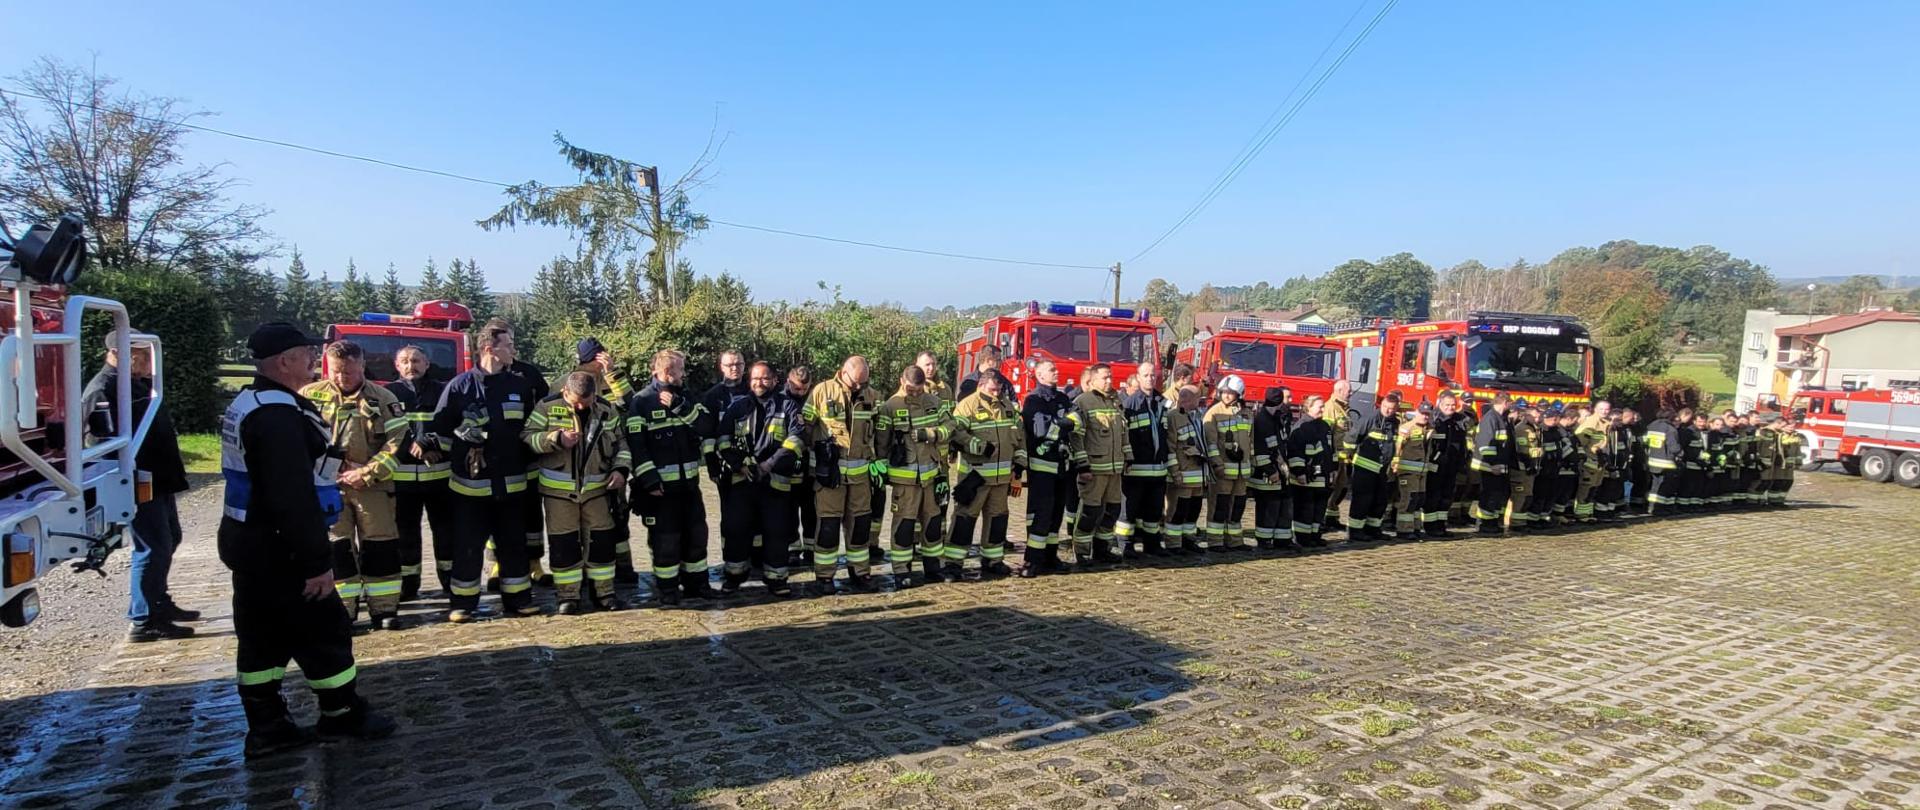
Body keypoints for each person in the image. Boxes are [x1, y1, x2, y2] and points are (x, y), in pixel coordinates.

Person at [219, 323, 393, 758]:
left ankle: (267, 726)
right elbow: (291, 497)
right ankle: (341, 713)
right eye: (305, 353)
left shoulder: (251, 402)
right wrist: (316, 562)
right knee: (324, 630)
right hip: (281, 547)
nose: (314, 360)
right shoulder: (277, 416)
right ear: (284, 361)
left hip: (250, 540)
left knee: (261, 636)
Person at [84, 331, 197, 641]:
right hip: (137, 480)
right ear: (119, 354)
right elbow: (99, 444)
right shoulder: (103, 389)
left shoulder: (137, 384)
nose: (150, 362)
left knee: (170, 538)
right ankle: (144, 617)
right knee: (152, 546)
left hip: (157, 477)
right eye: (143, 355)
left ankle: (159, 601)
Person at [426, 321, 540, 622]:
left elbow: (531, 430)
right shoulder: (459, 386)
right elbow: (440, 431)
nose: (514, 349)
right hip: (470, 488)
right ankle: (462, 604)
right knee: (467, 547)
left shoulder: (519, 386)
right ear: (490, 348)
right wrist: (458, 439)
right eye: (509, 344)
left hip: (511, 484)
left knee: (513, 545)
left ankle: (519, 599)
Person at [301, 341, 408, 631]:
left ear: (362, 366)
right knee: (338, 548)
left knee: (380, 546)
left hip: (373, 487)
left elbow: (399, 443)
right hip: (328, 487)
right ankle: (342, 611)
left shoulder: (383, 398)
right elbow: (297, 439)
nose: (341, 377)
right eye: (336, 371)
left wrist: (367, 472)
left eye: (348, 371)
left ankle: (384, 609)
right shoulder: (309, 395)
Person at [525, 372, 631, 614]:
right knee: (564, 546)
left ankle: (604, 594)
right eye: (576, 402)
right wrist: (555, 439)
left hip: (598, 491)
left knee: (601, 544)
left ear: (595, 394)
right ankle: (568, 597)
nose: (581, 407)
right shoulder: (546, 407)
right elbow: (528, 438)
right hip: (559, 494)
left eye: (587, 402)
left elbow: (621, 444)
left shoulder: (606, 410)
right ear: (565, 392)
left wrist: (621, 470)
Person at [627, 350, 714, 605]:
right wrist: (650, 481)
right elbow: (637, 446)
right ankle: (667, 589)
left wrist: (681, 408)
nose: (683, 374)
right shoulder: (642, 402)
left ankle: (697, 584)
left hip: (690, 486)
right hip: (661, 491)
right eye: (680, 369)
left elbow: (707, 426)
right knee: (666, 541)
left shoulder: (686, 397)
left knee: (697, 536)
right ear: (666, 372)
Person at [715, 361, 803, 597]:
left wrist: (769, 464)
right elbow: (722, 440)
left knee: (776, 532)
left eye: (764, 378)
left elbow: (796, 440)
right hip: (742, 480)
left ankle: (777, 579)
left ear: (775, 380)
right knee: (736, 529)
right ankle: (734, 576)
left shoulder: (788, 406)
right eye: (755, 378)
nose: (759, 383)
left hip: (775, 482)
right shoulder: (738, 407)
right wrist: (740, 465)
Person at [803, 356, 881, 594]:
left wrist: (879, 463)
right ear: (843, 372)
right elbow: (805, 427)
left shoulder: (873, 396)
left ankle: (860, 572)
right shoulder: (821, 391)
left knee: (860, 525)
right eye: (855, 381)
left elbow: (880, 432)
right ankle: (824, 576)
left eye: (863, 382)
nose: (859, 386)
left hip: (860, 477)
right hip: (829, 476)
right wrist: (814, 456)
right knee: (828, 526)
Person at [387, 345, 453, 600]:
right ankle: (408, 584)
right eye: (404, 361)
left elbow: (452, 424)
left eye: (416, 361)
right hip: (402, 478)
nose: (410, 365)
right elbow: (386, 431)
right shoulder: (389, 393)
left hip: (439, 478)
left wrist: (434, 445)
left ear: (427, 363)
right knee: (406, 534)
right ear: (397, 365)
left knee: (445, 532)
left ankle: (449, 580)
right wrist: (413, 450)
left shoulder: (443, 391)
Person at [874, 365, 949, 587]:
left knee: (933, 524)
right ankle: (901, 571)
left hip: (930, 476)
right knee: (904, 527)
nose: (915, 393)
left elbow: (951, 425)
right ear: (901, 381)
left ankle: (933, 568)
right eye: (910, 389)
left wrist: (933, 434)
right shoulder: (890, 406)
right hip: (904, 481)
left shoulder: (934, 402)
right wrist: (880, 469)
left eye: (918, 389)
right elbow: (881, 442)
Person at [572, 337, 640, 584]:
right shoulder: (568, 382)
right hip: (579, 464)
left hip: (611, 460)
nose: (605, 360)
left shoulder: (611, 379)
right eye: (600, 357)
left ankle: (623, 567)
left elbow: (630, 404)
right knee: (580, 522)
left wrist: (612, 374)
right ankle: (585, 570)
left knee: (618, 516)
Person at [948, 369, 1025, 578]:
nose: (996, 394)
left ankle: (993, 560)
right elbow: (956, 433)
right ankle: (953, 563)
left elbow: (1019, 437)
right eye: (992, 390)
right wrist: (978, 446)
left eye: (999, 390)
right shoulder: (967, 405)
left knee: (997, 520)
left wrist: (1019, 464)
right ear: (981, 386)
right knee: (964, 520)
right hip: (976, 478)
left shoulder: (1007, 406)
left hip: (1001, 480)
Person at [1068, 363, 1129, 566]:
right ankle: (1082, 552)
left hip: (1114, 469)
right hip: (1094, 469)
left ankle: (1102, 550)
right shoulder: (1083, 402)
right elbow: (1076, 437)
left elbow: (1124, 432)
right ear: (1093, 380)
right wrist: (1083, 466)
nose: (1109, 381)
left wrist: (1127, 457)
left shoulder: (1115, 401)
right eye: (1105, 377)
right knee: (1090, 512)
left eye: (1110, 377)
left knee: (1112, 510)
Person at [1019, 359, 1075, 576]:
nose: (1056, 372)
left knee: (1056, 514)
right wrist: (1063, 424)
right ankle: (1033, 560)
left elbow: (1077, 420)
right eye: (1052, 370)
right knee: (1040, 514)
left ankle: (1051, 557)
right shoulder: (1033, 400)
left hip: (1062, 465)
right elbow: (1040, 430)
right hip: (1042, 467)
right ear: (1039, 375)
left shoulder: (1063, 398)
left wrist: (1062, 424)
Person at [1118, 361, 1170, 557]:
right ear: (1138, 378)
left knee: (1154, 511)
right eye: (1146, 375)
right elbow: (1125, 437)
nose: (1150, 379)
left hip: (1158, 469)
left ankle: (1152, 544)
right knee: (1129, 510)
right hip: (1136, 469)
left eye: (1152, 375)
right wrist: (1127, 461)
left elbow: (1166, 434)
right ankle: (1125, 545)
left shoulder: (1163, 402)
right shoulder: (1130, 404)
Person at [1202, 375, 1252, 551]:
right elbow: (1210, 443)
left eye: (1231, 393)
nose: (1226, 395)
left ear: (1239, 394)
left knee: (1237, 506)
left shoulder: (1246, 413)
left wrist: (1251, 463)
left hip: (1242, 471)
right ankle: (1215, 541)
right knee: (1219, 506)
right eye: (1224, 392)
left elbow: (1250, 441)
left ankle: (1235, 541)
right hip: (1223, 471)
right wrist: (1217, 464)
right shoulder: (1214, 413)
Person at [916, 351, 957, 561]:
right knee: (918, 502)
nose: (930, 368)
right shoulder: (913, 387)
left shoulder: (945, 389)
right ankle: (914, 541)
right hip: (921, 456)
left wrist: (953, 447)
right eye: (926, 364)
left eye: (933, 364)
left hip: (941, 458)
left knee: (941, 498)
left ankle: (938, 538)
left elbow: (951, 420)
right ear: (917, 365)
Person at [1343, 393, 1400, 541]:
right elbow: (1352, 437)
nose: (1387, 410)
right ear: (1381, 405)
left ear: (1396, 409)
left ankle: (1373, 528)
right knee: (1362, 500)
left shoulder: (1394, 422)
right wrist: (1346, 458)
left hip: (1382, 469)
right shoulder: (1370, 419)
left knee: (1380, 499)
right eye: (1385, 407)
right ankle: (1355, 531)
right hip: (1364, 467)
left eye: (1391, 408)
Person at [1164, 385, 1211, 555]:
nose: (1200, 402)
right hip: (1182, 475)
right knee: (1178, 510)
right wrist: (1175, 472)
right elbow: (1170, 447)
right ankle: (1173, 543)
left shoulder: (1195, 415)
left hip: (1197, 474)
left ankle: (1188, 540)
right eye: (1198, 399)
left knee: (1193, 510)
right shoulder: (1173, 417)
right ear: (1189, 399)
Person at [1248, 386, 1294, 551]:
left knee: (1283, 505)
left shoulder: (1277, 418)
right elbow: (1260, 450)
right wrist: (1270, 471)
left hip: (1280, 470)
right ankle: (1264, 540)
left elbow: (1280, 444)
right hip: (1266, 474)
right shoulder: (1262, 420)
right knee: (1268, 508)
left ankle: (1283, 539)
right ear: (1279, 402)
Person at [1287, 395, 1336, 548]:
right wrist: (1299, 472)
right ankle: (1303, 538)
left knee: (1319, 509)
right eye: (1320, 406)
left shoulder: (1325, 426)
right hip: (1306, 477)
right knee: (1304, 510)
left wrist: (1333, 469)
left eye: (1323, 406)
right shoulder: (1301, 427)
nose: (1323, 409)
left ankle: (1315, 535)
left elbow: (1331, 450)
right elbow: (1295, 452)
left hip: (1323, 476)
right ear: (1308, 407)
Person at [779, 366, 815, 568]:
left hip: (810, 461)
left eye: (805, 389)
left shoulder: (815, 398)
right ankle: (793, 548)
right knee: (788, 508)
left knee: (811, 507)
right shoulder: (780, 399)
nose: (800, 392)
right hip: (787, 460)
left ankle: (811, 547)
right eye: (796, 388)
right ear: (788, 381)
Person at [1422, 393, 1467, 538]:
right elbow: (1427, 444)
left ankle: (1441, 525)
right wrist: (1435, 459)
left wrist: (1462, 462)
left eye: (1453, 405)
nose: (1450, 408)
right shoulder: (1434, 420)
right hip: (1435, 466)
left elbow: (1461, 445)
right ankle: (1430, 526)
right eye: (1447, 405)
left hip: (1451, 466)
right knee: (1433, 496)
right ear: (1440, 404)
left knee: (1446, 497)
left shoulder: (1458, 421)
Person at [1471, 392, 1516, 535]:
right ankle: (1484, 524)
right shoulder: (1490, 418)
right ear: (1505, 403)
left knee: (1497, 495)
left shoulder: (1501, 418)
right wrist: (1493, 464)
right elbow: (1486, 445)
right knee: (1489, 495)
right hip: (1489, 466)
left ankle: (1493, 522)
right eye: (1510, 403)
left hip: (1500, 466)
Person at [1391, 403, 1433, 539]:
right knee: (1408, 500)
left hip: (1422, 472)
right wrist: (1395, 466)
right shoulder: (1406, 428)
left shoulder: (1430, 429)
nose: (1425, 416)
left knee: (1418, 501)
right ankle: (1403, 530)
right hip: (1408, 472)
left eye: (1427, 414)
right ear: (1416, 412)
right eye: (1422, 413)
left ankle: (1415, 527)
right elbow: (1397, 449)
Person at [1321, 380, 1355, 535]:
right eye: (1349, 391)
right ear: (1340, 391)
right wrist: (1331, 457)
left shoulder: (1343, 408)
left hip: (1344, 457)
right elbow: (1327, 434)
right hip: (1335, 457)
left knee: (1340, 488)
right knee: (1331, 488)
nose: (1351, 393)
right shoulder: (1330, 408)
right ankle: (1322, 519)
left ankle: (1332, 518)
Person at [1506, 401, 1540, 533]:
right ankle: (1516, 523)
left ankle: (1521, 521)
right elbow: (1522, 450)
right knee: (1520, 495)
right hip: (1521, 468)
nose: (1537, 419)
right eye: (1534, 416)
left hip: (1530, 467)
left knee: (1527, 495)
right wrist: (1529, 462)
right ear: (1526, 416)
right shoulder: (1521, 429)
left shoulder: (1534, 428)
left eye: (1538, 416)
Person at [1643, 408, 1684, 517]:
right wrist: (1681, 453)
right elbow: (1674, 448)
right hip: (1666, 463)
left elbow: (1645, 442)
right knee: (1665, 487)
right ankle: (1659, 508)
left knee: (1655, 486)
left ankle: (1651, 507)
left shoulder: (1651, 426)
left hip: (1652, 461)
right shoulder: (1670, 429)